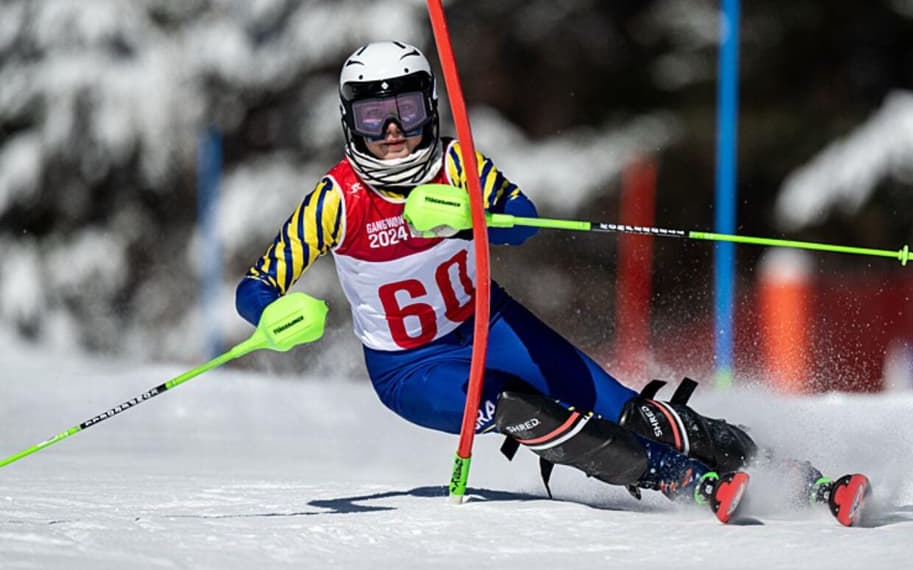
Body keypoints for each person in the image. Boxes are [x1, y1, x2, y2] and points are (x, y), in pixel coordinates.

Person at [235, 41, 847, 523]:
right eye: (374, 115)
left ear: (431, 108)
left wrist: (477, 217)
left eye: (406, 110)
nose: (392, 130)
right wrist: (271, 316)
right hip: (411, 367)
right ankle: (677, 480)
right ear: (350, 121)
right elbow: (257, 283)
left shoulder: (459, 165)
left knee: (627, 408)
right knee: (521, 409)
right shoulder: (337, 199)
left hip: (491, 324)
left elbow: (524, 221)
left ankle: (796, 477)